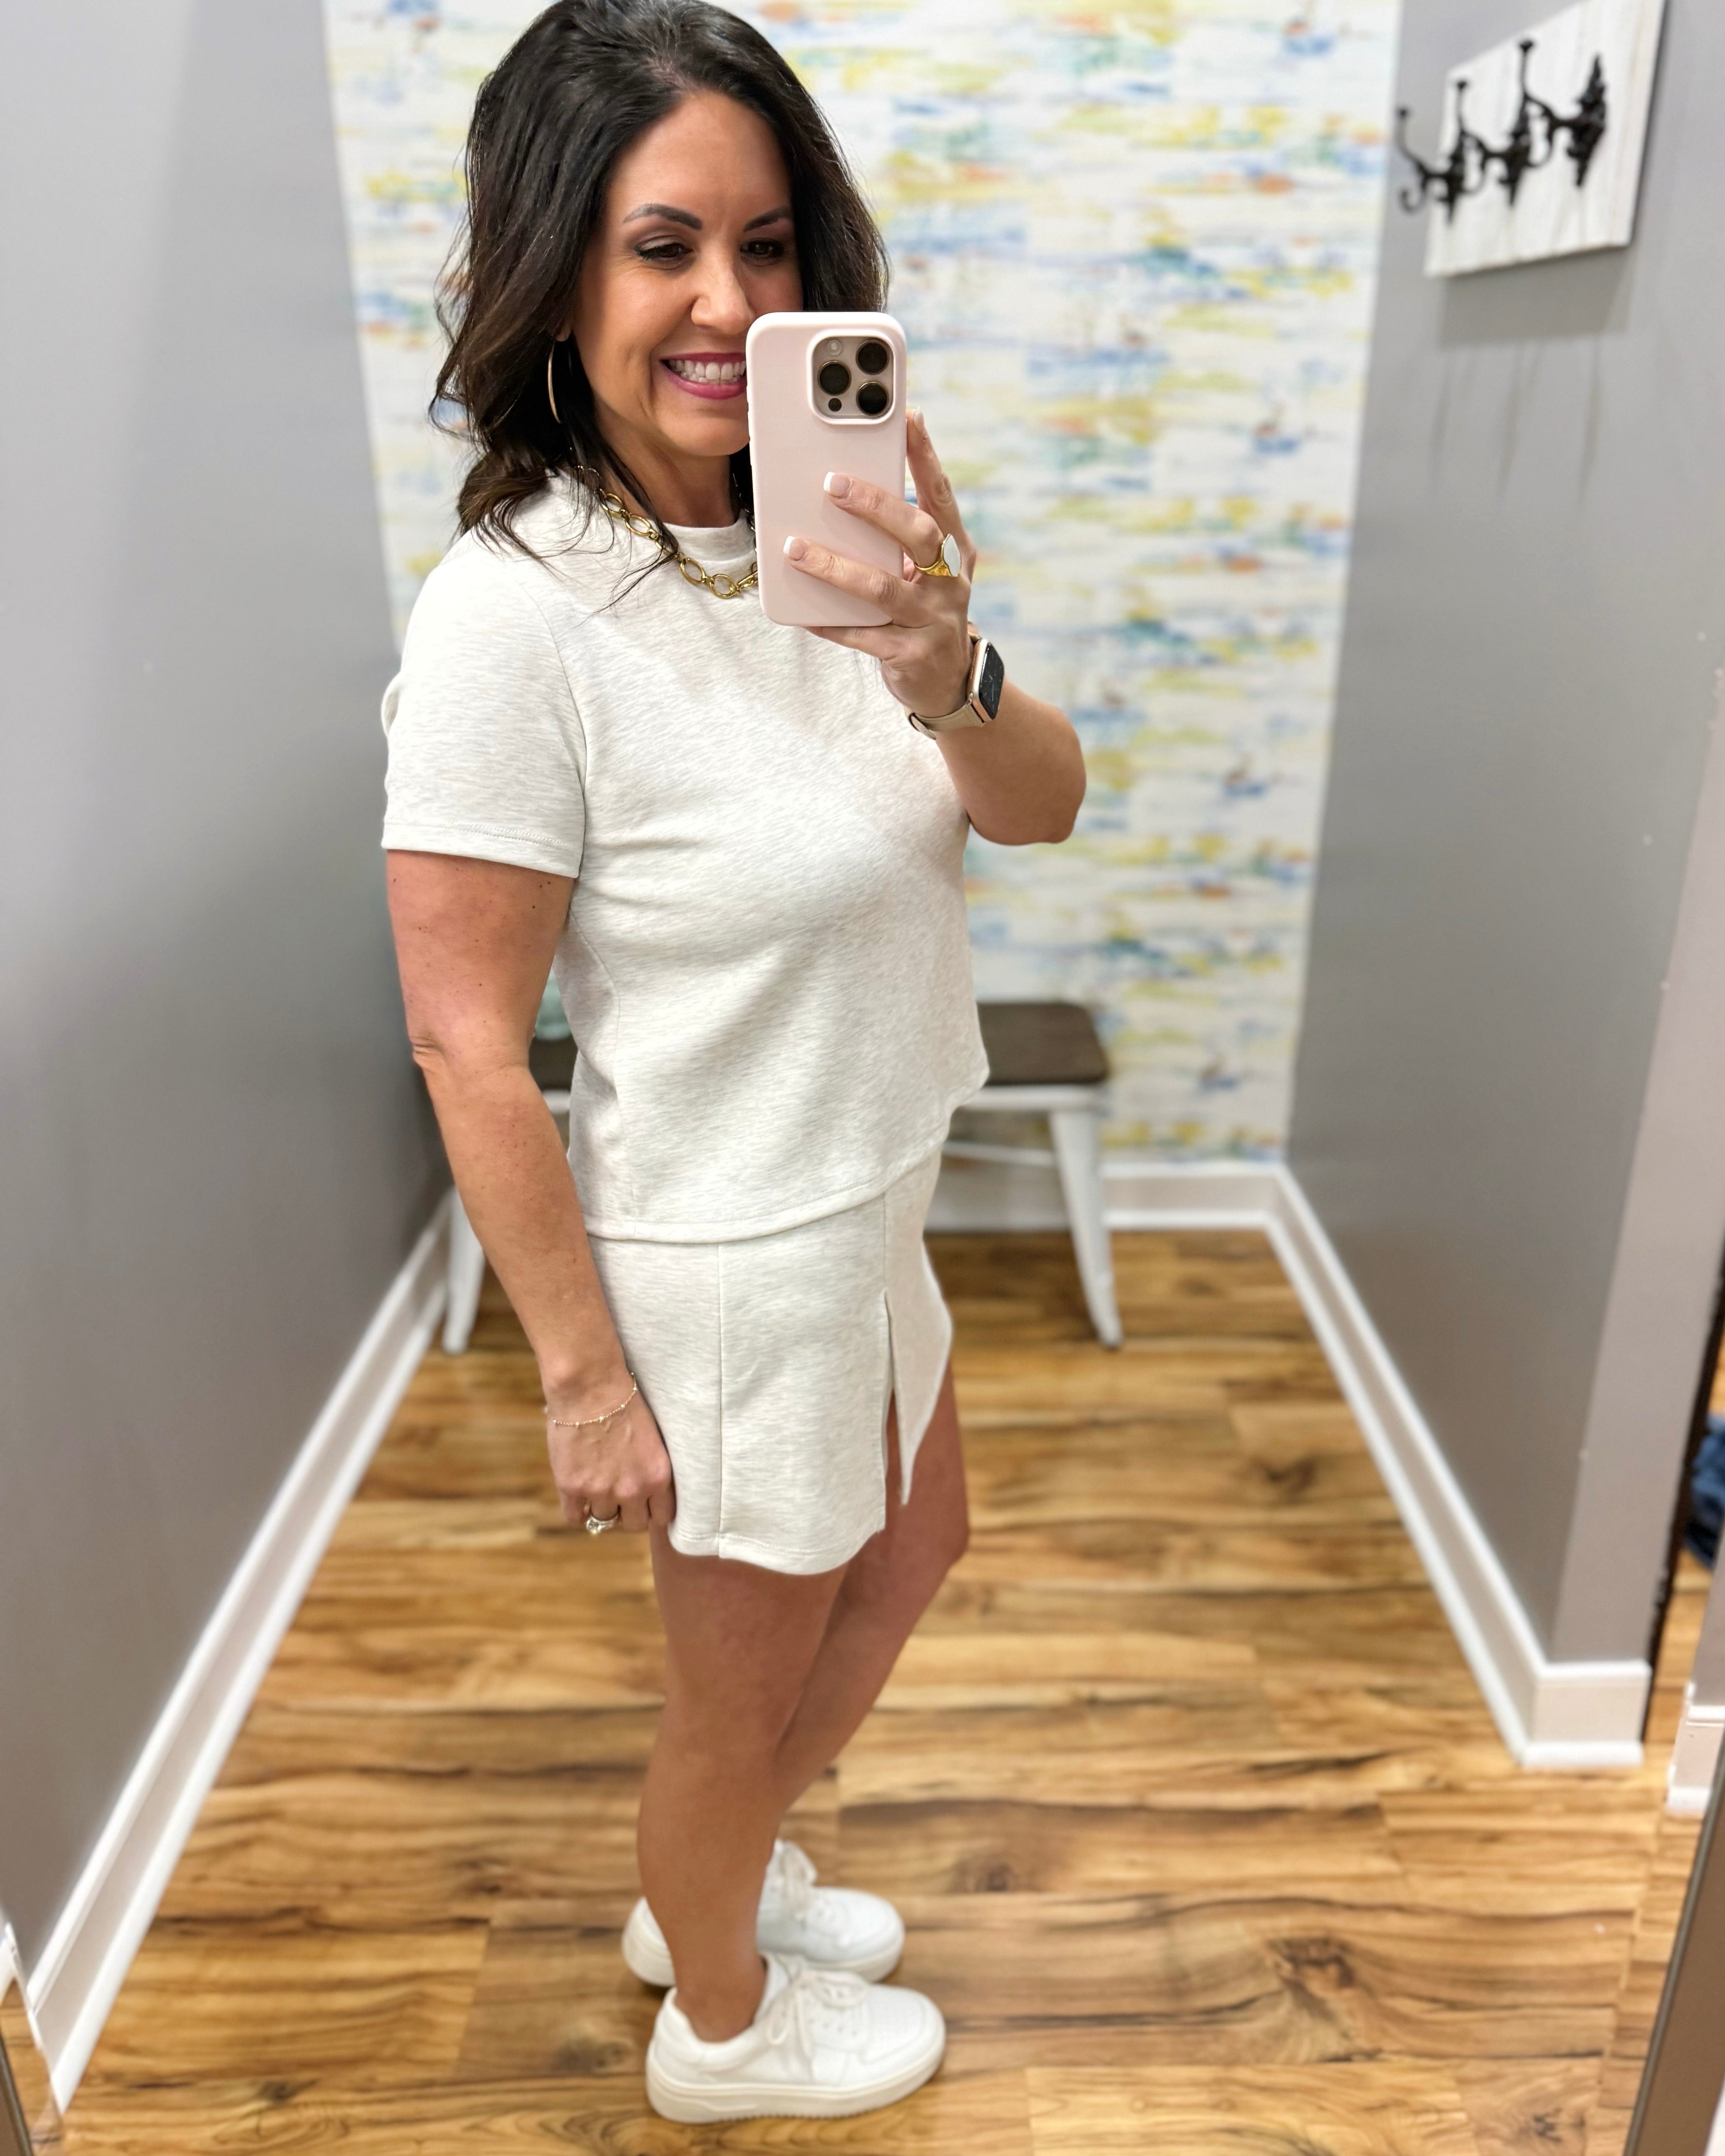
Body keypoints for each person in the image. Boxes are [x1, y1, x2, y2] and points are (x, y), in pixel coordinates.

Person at [381, 0, 1084, 2123]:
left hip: (869, 1189)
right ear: (554, 276)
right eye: (661, 245)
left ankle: (714, 1881)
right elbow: (464, 1036)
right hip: (728, 1253)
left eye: (768, 245)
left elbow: (1038, 807)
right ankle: (717, 2019)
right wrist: (583, 1377)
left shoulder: (838, 533)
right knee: (728, 1694)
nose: (727, 303)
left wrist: (941, 657)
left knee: (913, 1549)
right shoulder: (516, 619)